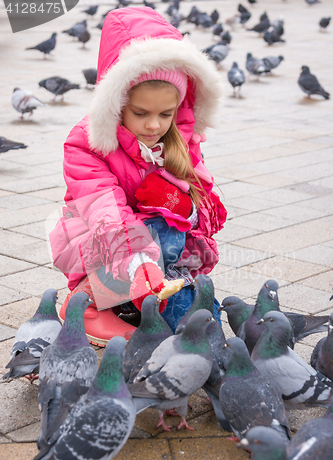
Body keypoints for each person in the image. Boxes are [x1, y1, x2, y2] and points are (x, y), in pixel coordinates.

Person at [49, 6, 227, 346]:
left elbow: (205, 210)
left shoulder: (179, 142)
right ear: (116, 104)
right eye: (140, 113)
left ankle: (146, 299)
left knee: (196, 328)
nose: (154, 125)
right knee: (157, 227)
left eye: (166, 113)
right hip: (101, 242)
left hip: (159, 256)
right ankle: (85, 303)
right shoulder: (87, 144)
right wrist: (135, 259)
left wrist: (183, 205)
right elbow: (105, 209)